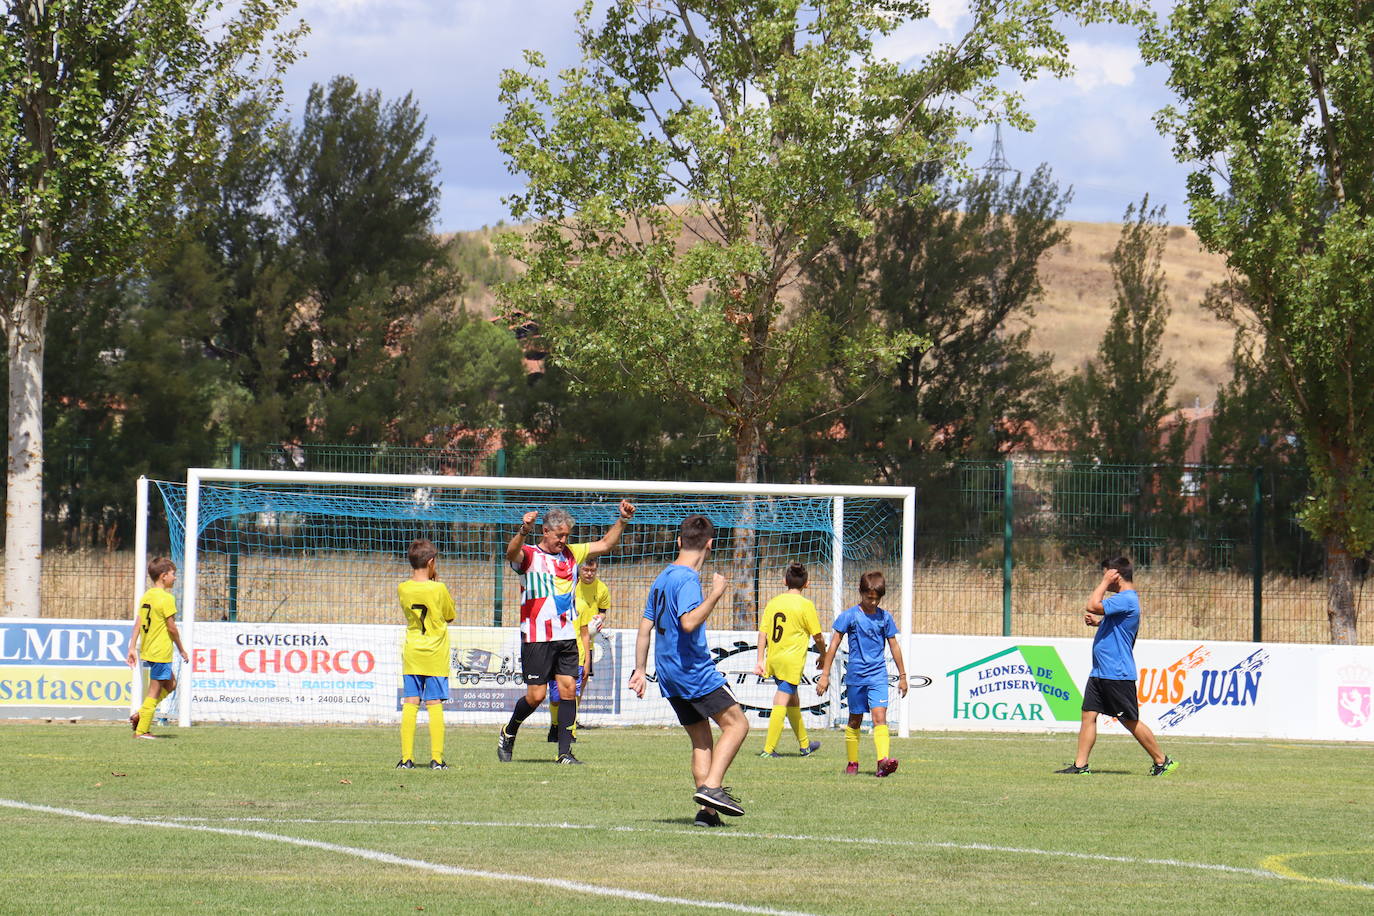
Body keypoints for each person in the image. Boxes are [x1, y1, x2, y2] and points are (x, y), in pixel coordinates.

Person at [630, 514, 749, 827]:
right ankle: (712, 787)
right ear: (710, 544)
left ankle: (706, 814)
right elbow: (689, 621)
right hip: (692, 670)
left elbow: (645, 627)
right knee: (737, 726)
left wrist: (640, 669)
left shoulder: (662, 578)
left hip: (668, 672)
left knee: (701, 740)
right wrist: (716, 593)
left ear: (679, 541)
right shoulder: (687, 580)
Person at [498, 500, 635, 765]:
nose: (563, 540)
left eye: (566, 536)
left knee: (568, 690)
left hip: (566, 635)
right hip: (537, 637)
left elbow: (605, 544)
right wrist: (522, 530)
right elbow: (510, 553)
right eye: (559, 535)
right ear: (545, 532)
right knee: (536, 696)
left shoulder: (572, 554)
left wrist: (623, 520)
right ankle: (509, 731)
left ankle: (564, 753)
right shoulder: (529, 555)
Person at [1057, 557, 1177, 776]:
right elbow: (1117, 626)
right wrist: (1099, 623)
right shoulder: (1123, 601)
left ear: (1116, 575)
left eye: (1106, 575)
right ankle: (1080, 765)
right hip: (1100, 671)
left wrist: (1102, 584)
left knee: (1129, 720)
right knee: (1088, 715)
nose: (1104, 580)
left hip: (1117, 673)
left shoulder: (1128, 598)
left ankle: (1162, 761)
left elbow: (1092, 605)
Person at [816, 571, 908, 777]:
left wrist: (903, 676)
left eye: (877, 599)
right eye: (869, 598)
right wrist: (825, 674)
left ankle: (882, 763)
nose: (873, 603)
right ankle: (852, 762)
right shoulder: (849, 616)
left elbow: (894, 646)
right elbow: (833, 645)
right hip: (856, 676)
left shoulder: (885, 618)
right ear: (861, 593)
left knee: (879, 717)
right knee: (854, 720)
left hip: (878, 675)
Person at [754, 562, 825, 758]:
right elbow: (817, 636)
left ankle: (805, 745)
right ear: (807, 584)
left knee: (793, 700)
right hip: (792, 661)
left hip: (774, 658)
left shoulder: (773, 602)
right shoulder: (805, 605)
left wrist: (760, 660)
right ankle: (768, 749)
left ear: (784, 581)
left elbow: (763, 634)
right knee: (782, 699)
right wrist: (824, 654)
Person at [397, 538, 456, 770]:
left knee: (410, 703)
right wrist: (436, 583)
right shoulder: (438, 588)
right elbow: (450, 615)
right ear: (431, 562)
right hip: (435, 653)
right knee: (433, 704)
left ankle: (406, 759)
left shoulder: (403, 588)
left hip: (413, 652)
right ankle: (437, 759)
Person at [548, 556, 611, 745]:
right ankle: (556, 724)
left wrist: (597, 622)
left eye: (593, 571)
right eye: (586, 570)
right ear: (579, 571)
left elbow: (602, 611)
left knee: (576, 690)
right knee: (556, 693)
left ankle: (570, 726)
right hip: (562, 645)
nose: (589, 574)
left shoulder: (602, 589)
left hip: (585, 643)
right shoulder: (570, 588)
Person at [125, 556, 189, 739]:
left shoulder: (147, 596)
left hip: (148, 650)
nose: (175, 578)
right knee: (154, 691)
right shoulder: (166, 598)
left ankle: (141, 714)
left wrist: (132, 647)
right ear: (163, 576)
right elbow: (172, 628)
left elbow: (138, 622)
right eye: (173, 574)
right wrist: (182, 649)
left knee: (171, 684)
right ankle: (142, 731)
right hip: (161, 651)